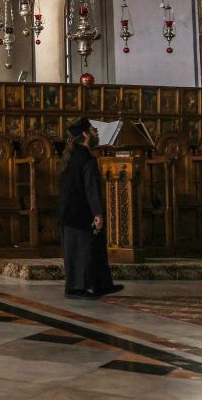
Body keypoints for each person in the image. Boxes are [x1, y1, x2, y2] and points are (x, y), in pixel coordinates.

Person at [59, 117, 123, 300]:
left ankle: (102, 284)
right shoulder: (86, 158)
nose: (96, 132)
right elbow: (91, 188)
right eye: (94, 129)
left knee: (94, 248)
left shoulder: (71, 156)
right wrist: (97, 213)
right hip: (79, 212)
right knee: (80, 251)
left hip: (69, 212)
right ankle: (74, 289)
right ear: (86, 134)